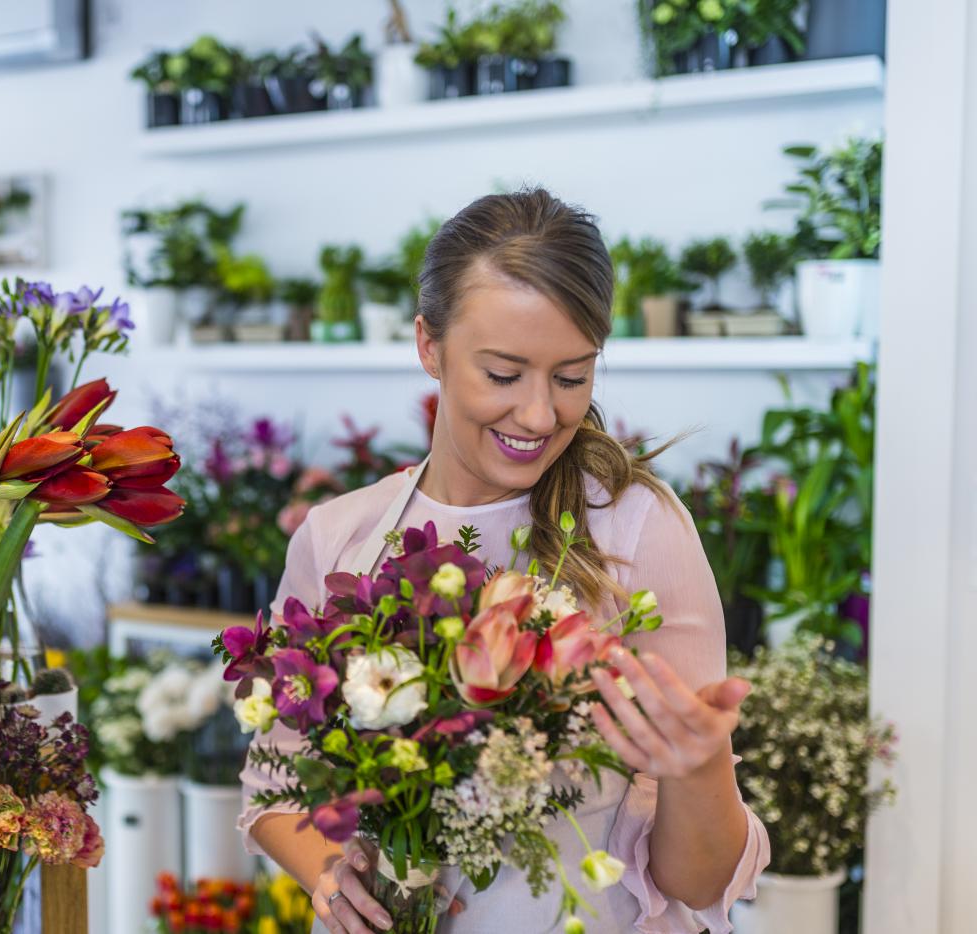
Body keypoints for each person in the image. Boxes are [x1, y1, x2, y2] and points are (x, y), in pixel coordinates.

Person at [238, 189, 770, 933]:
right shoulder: (338, 537)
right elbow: (277, 783)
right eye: (503, 373)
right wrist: (331, 875)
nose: (539, 415)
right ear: (429, 345)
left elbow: (697, 878)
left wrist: (701, 767)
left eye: (571, 377)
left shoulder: (640, 528)